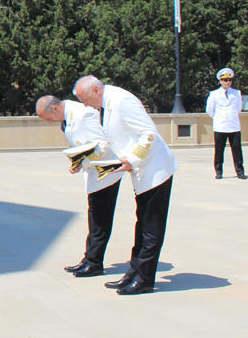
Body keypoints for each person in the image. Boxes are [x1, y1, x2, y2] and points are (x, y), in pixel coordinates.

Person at [74, 75, 177, 295]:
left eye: (85, 99)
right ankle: (134, 272)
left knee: (150, 228)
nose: (85, 105)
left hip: (155, 170)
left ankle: (145, 279)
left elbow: (149, 133)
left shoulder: (122, 100)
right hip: (141, 172)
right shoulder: (107, 102)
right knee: (142, 225)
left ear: (96, 90)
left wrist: (132, 159)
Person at [35, 95, 123, 278]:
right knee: (95, 217)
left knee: (99, 220)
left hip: (105, 172)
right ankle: (89, 259)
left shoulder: (83, 115)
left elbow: (103, 146)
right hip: (93, 172)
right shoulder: (67, 117)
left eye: (49, 118)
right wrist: (79, 162)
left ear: (55, 109)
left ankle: (94, 263)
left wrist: (83, 158)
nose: (50, 122)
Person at [205, 67, 245, 179]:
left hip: (234, 126)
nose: (228, 82)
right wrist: (219, 118)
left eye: (229, 80)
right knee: (219, 151)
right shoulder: (214, 94)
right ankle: (218, 171)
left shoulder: (236, 93)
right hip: (220, 126)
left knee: (237, 150)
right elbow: (210, 110)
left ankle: (240, 171)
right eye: (225, 80)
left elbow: (239, 108)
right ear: (220, 81)